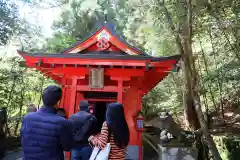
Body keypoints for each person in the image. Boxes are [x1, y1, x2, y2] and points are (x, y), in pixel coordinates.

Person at [20, 85, 73, 160]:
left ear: (43, 99)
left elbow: (23, 139)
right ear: (58, 102)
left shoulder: (27, 118)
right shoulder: (62, 122)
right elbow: (67, 147)